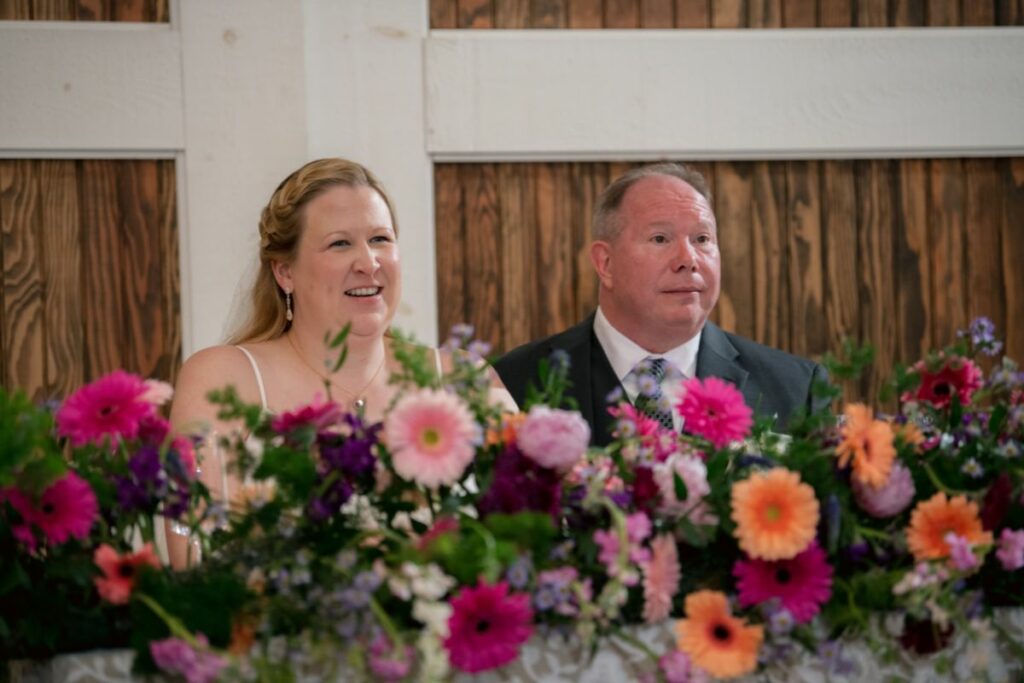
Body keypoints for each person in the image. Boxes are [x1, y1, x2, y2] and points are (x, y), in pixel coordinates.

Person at [168, 158, 515, 566]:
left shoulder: (465, 379)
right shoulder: (223, 378)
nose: (368, 262)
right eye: (340, 243)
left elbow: (533, 531)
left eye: (381, 239)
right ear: (284, 272)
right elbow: (194, 553)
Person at [494, 162, 829, 447]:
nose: (689, 260)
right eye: (660, 239)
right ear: (605, 264)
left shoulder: (797, 389)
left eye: (702, 239)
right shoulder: (513, 385)